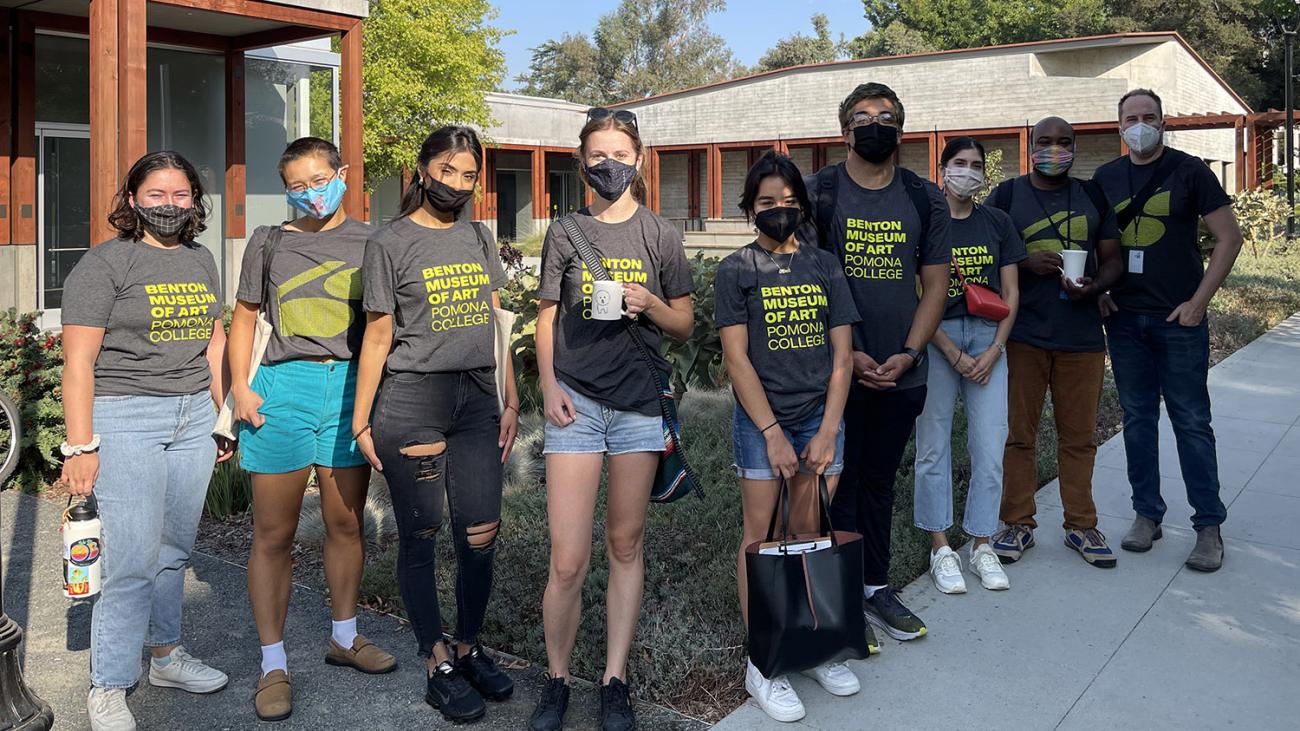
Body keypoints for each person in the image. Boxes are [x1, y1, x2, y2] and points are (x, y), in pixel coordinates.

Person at [529, 108, 695, 731]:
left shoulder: (659, 234)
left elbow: (684, 322)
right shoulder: (565, 230)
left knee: (625, 544)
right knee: (567, 558)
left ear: (639, 158)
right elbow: (546, 315)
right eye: (597, 156)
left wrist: (649, 301)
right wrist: (548, 386)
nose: (608, 166)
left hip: (637, 408)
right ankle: (556, 680)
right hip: (575, 403)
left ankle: (614, 680)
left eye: (618, 154)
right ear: (581, 163)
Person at [351, 125, 521, 724]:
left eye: (468, 174)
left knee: (480, 533)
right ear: (422, 170)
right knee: (420, 534)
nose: (455, 183)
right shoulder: (388, 242)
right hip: (412, 400)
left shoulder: (478, 235)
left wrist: (510, 396)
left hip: (477, 398)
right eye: (446, 171)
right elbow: (377, 334)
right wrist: (362, 418)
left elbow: (497, 321)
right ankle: (436, 659)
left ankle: (471, 645)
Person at [60, 151, 232, 731]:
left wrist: (221, 413)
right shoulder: (104, 265)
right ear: (132, 200)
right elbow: (78, 363)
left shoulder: (201, 258)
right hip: (126, 414)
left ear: (194, 202)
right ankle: (108, 684)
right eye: (155, 194)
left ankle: (164, 655)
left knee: (173, 552)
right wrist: (80, 448)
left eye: (180, 194)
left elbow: (214, 341)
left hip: (191, 420)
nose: (168, 205)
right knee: (131, 561)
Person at [228, 137, 394, 722]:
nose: (309, 192)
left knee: (345, 523)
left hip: (351, 387)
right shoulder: (269, 241)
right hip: (283, 389)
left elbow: (384, 325)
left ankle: (344, 637)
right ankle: (273, 663)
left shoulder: (377, 240)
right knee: (273, 533)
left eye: (319, 178)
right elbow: (244, 315)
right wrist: (240, 387)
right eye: (296, 184)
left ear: (342, 173)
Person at [801, 82, 950, 644]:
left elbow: (935, 283)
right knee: (837, 481)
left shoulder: (923, 196)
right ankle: (836, 602)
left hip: (903, 370)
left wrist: (909, 352)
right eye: (862, 117)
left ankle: (874, 588)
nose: (874, 124)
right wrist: (851, 353)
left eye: (885, 116)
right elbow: (806, 279)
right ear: (844, 132)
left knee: (880, 481)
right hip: (836, 372)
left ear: (901, 130)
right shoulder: (818, 193)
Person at [715, 152, 860, 722]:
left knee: (808, 531)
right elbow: (736, 357)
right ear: (749, 209)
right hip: (762, 424)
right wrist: (772, 433)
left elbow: (843, 357)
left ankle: (815, 644)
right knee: (762, 540)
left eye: (788, 200)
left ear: (802, 204)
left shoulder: (824, 265)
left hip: (821, 420)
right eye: (766, 202)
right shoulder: (736, 269)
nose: (779, 210)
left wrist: (827, 430)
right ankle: (766, 660)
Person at [1092, 89, 1243, 572]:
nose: (1141, 125)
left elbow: (1229, 237)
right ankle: (1146, 515)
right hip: (1124, 320)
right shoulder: (1105, 178)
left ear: (1163, 122)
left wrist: (1199, 302)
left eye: (1149, 117)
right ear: (1119, 126)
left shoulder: (1189, 170)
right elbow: (1093, 242)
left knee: (1191, 422)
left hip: (1178, 320)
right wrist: (1098, 290)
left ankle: (1208, 526)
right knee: (1137, 420)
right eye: (1132, 118)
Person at [986, 117, 1124, 569]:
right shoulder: (1007, 195)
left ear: (1075, 148)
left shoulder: (1091, 194)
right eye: (1044, 141)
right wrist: (1023, 264)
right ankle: (1016, 523)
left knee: (1079, 438)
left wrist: (1097, 288)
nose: (1054, 149)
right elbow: (981, 254)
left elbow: (1113, 260)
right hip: (1022, 334)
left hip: (1081, 337)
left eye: (1064, 142)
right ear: (1029, 146)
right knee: (1018, 436)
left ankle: (1081, 526)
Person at [913, 138, 1025, 594]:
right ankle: (941, 547)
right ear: (941, 169)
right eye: (958, 163)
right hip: (937, 339)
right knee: (933, 447)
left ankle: (982, 545)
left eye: (976, 165)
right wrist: (950, 351)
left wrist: (994, 349)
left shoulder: (997, 222)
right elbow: (918, 296)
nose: (968, 171)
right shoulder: (925, 223)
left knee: (989, 446)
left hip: (987, 340)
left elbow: (1011, 293)